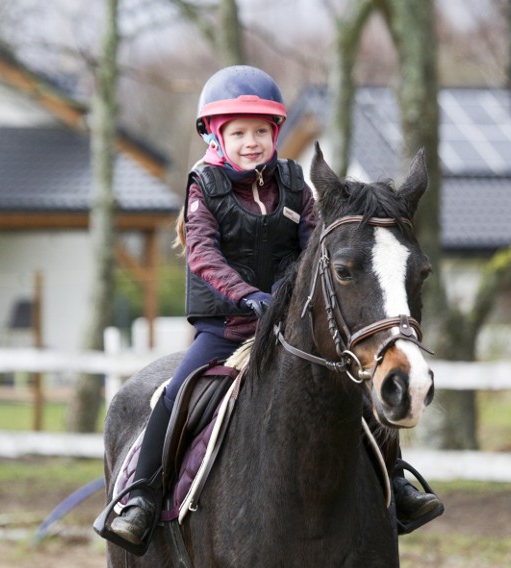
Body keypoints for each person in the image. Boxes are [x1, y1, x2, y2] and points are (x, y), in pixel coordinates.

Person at [108, 65, 440, 547]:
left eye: (261, 131)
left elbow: (314, 246)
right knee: (175, 393)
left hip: (287, 327)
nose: (251, 142)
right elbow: (203, 254)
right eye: (238, 132)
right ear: (216, 136)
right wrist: (248, 295)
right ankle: (142, 494)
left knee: (358, 392)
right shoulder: (204, 185)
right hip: (226, 328)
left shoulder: (293, 185)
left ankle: (398, 481)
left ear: (275, 134)